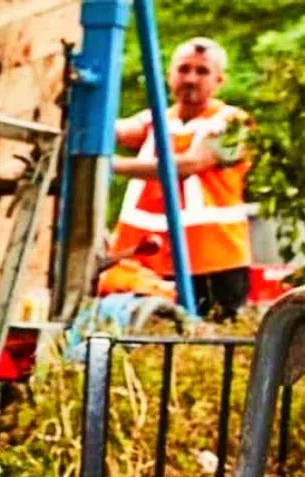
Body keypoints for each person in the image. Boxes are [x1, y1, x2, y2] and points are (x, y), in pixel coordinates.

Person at [107, 36, 254, 320]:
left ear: (219, 80)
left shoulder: (234, 124)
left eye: (202, 71)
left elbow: (191, 164)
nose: (191, 78)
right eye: (184, 69)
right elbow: (117, 129)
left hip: (214, 260)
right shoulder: (156, 120)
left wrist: (113, 165)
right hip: (149, 259)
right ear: (169, 74)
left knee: (210, 344)